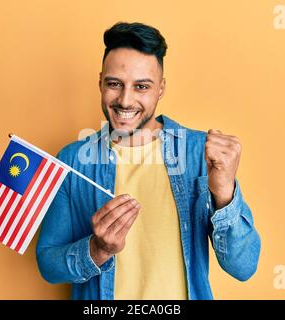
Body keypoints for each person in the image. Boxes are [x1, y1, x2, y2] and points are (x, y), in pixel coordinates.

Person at [36, 22, 261, 300]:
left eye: (141, 86)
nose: (125, 100)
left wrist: (224, 192)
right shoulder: (72, 160)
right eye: (114, 84)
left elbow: (243, 266)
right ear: (100, 83)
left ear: (161, 89)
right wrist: (98, 250)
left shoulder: (201, 155)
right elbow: (48, 263)